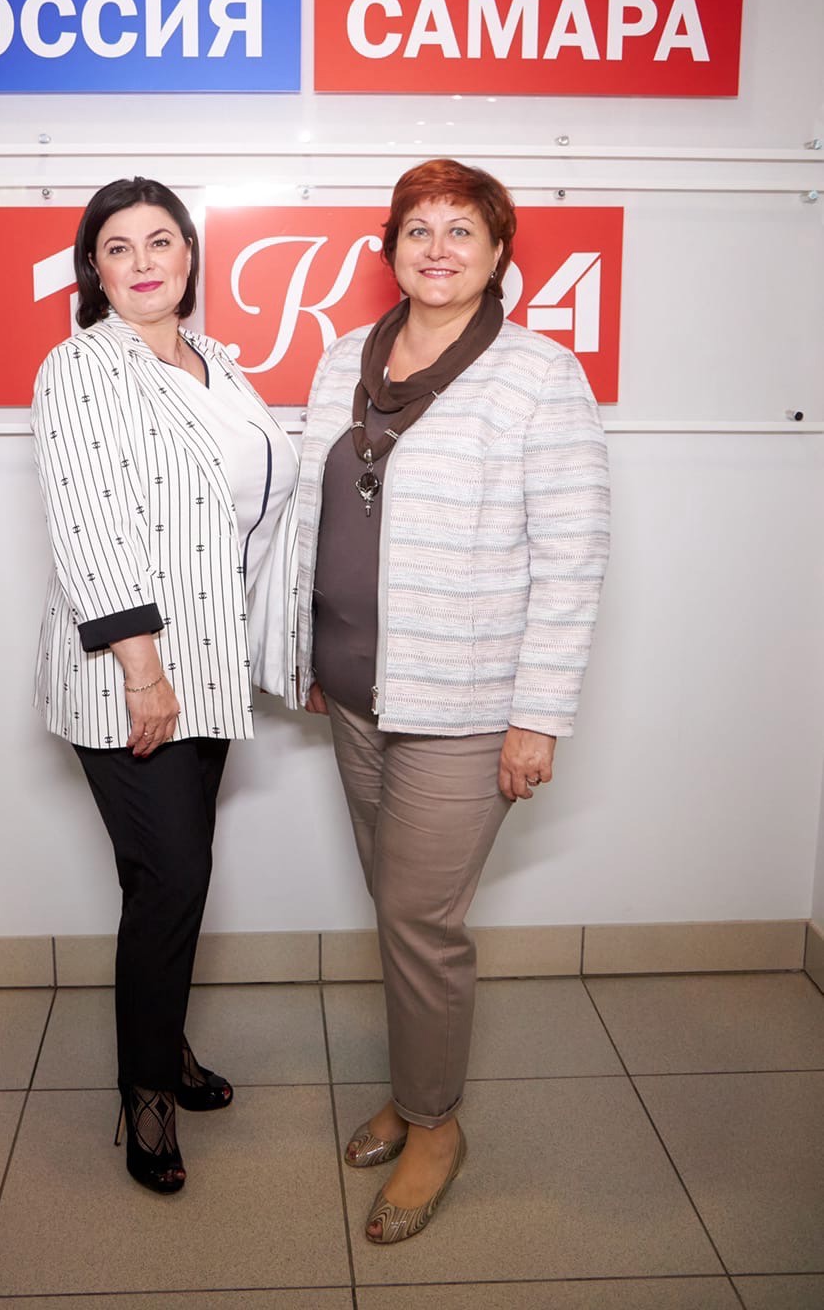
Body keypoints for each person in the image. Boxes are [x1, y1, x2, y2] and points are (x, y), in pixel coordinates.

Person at [295, 158, 609, 1244]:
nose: (437, 249)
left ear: (498, 252)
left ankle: (434, 1125)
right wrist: (304, 643)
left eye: (461, 230)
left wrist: (537, 715)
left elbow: (571, 558)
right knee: (396, 912)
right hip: (352, 693)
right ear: (390, 248)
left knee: (421, 924)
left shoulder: (538, 376)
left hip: (466, 705)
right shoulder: (345, 355)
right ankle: (413, 1087)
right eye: (417, 229)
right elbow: (313, 519)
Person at [31, 176, 296, 1195]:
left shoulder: (217, 364)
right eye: (117, 247)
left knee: (168, 882)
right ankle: (145, 1094)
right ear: (92, 270)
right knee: (171, 882)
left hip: (210, 673)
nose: (142, 262)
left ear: (189, 254)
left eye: (160, 241)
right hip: (131, 679)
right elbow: (88, 525)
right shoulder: (82, 366)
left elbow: (255, 513)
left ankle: (165, 1047)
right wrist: (143, 672)